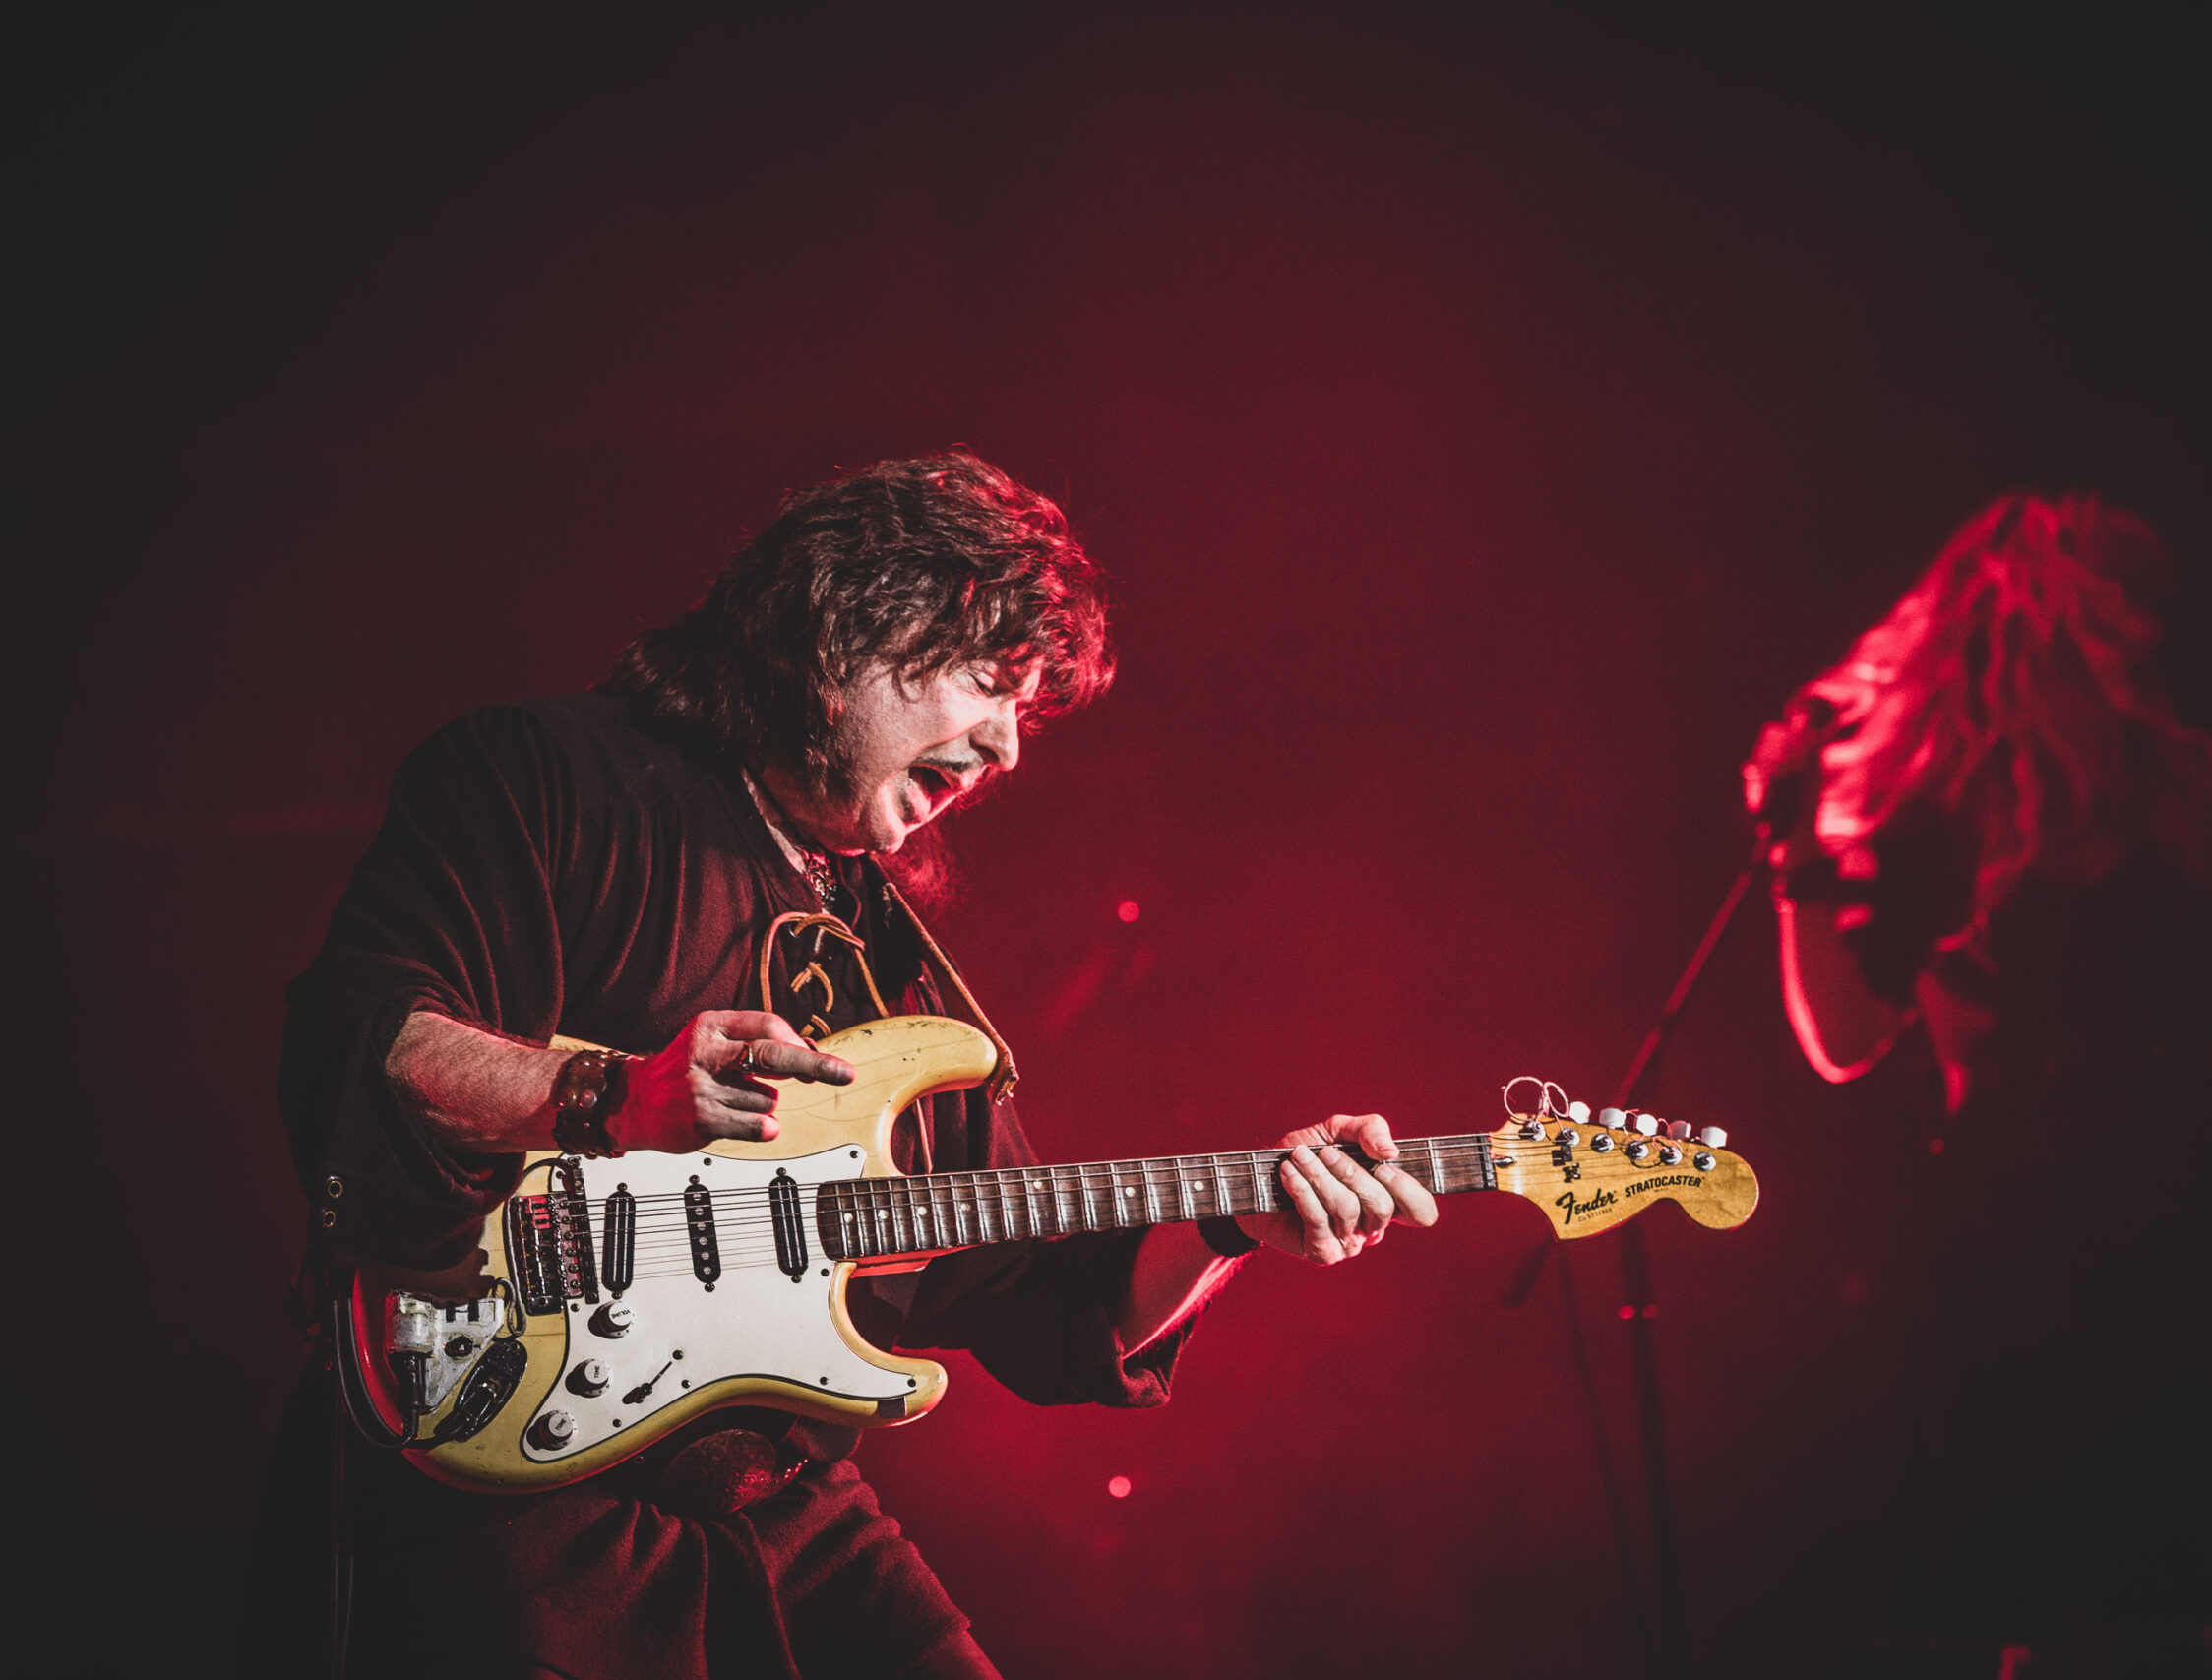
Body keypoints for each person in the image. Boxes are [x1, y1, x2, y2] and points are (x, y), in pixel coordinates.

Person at [244, 452, 1437, 1679]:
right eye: (992, 682)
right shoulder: (548, 780)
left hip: (771, 1503)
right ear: (854, 627)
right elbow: (367, 1036)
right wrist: (607, 1097)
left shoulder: (896, 969)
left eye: (1028, 711)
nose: (1010, 749)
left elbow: (1025, 1291)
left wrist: (1230, 1227)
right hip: (506, 1479)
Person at [1742, 493, 2212, 1673]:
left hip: (2179, 1210)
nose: (2151, 627)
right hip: (2024, 1233)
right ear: (2055, 613)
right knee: (2051, 1600)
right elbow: (1850, 1040)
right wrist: (1797, 865)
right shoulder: (1941, 821)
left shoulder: (2164, 788)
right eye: (2126, 597)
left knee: (2207, 1585)